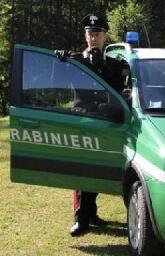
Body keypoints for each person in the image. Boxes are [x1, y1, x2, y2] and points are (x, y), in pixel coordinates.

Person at [55, 13, 125, 237]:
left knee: (99, 169)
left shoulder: (114, 63)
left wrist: (101, 65)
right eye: (89, 33)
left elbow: (117, 88)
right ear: (85, 36)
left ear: (105, 36)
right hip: (82, 121)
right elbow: (56, 83)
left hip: (104, 122)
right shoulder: (76, 59)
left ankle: (91, 213)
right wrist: (59, 62)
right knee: (83, 170)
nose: (93, 38)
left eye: (97, 34)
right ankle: (81, 218)